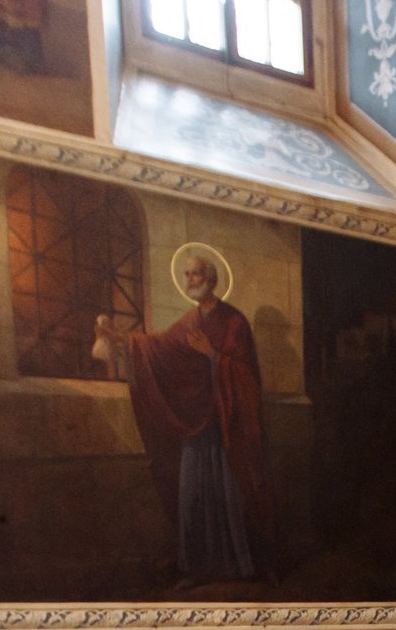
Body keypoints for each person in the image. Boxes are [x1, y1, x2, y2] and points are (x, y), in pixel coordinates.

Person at [97, 244, 268, 585]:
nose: (189, 279)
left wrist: (213, 355)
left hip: (224, 426)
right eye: (186, 274)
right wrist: (120, 340)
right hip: (195, 425)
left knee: (225, 495)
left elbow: (245, 374)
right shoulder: (190, 320)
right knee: (192, 495)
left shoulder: (235, 321)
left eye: (195, 273)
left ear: (212, 279)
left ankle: (237, 567)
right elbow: (159, 347)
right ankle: (194, 568)